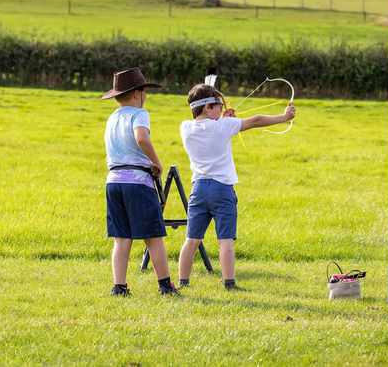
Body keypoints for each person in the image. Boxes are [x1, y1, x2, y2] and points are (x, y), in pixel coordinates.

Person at [177, 84, 296, 290]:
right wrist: (284, 117)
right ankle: (229, 283)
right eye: (218, 105)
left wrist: (225, 119)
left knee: (192, 239)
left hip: (198, 189)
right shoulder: (224, 125)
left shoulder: (185, 127)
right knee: (226, 240)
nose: (222, 109)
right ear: (207, 108)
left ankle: (182, 282)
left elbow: (210, 127)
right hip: (222, 189)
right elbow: (256, 120)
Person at [102, 67, 178, 296]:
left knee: (121, 237)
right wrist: (156, 162)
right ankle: (165, 285)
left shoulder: (112, 118)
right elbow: (141, 138)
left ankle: (119, 286)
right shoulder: (139, 114)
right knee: (153, 236)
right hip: (137, 181)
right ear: (137, 93)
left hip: (113, 181)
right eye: (145, 91)